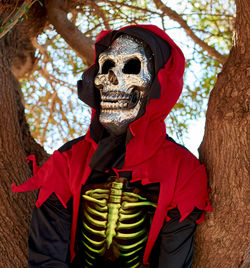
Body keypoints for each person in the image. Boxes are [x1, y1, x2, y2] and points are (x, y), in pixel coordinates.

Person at [12, 25, 212, 268]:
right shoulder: (68, 161)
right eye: (106, 67)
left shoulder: (184, 171)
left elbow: (174, 260)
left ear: (161, 82)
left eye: (131, 68)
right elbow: (46, 257)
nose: (110, 80)